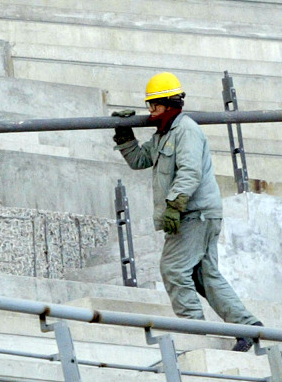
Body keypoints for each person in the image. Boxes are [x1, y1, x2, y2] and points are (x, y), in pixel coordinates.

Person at [112, 71, 262, 350]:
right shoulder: (164, 134)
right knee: (204, 275)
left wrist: (174, 205)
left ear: (169, 104)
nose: (150, 111)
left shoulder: (186, 130)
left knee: (173, 269)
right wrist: (124, 135)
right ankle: (248, 327)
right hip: (195, 214)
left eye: (154, 105)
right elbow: (140, 160)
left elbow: (190, 172)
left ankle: (193, 330)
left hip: (193, 214)